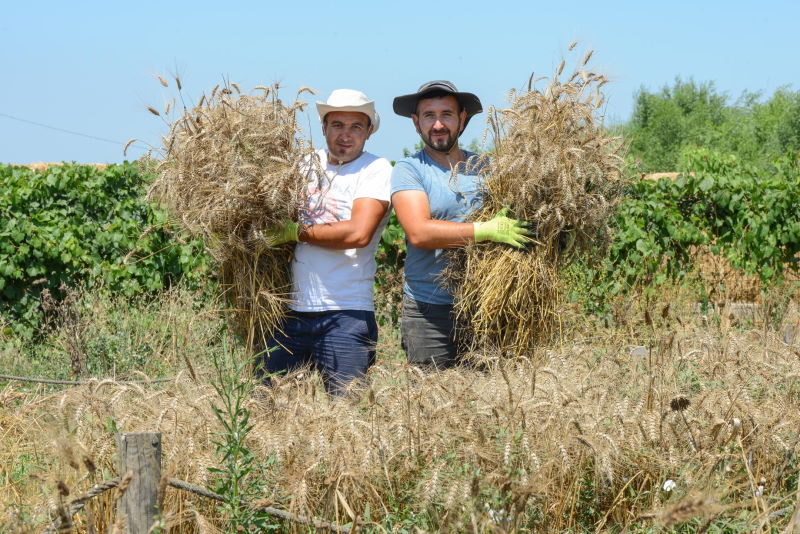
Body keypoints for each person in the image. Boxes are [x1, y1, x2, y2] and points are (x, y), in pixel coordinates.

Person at [256, 88, 392, 395]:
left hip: (346, 313)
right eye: (337, 125)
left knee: (346, 419)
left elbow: (358, 233)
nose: (346, 135)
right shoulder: (303, 165)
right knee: (265, 407)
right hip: (288, 313)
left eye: (356, 126)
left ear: (369, 132)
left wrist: (296, 233)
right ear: (324, 128)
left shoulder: (376, 169)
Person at [390, 81, 535, 369]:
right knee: (432, 402)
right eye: (429, 116)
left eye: (447, 114)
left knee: (487, 403)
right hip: (428, 311)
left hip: (489, 305)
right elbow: (419, 232)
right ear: (416, 122)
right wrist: (485, 231)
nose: (438, 124)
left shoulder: (489, 168)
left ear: (462, 119)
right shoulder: (409, 170)